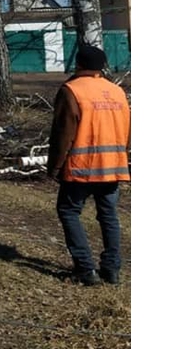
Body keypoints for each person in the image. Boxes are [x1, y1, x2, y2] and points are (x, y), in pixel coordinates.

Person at [47, 44, 131, 286]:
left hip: (81, 167)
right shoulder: (116, 92)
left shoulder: (72, 90)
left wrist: (54, 167)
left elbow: (63, 134)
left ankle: (85, 269)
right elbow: (126, 130)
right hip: (113, 166)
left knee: (69, 211)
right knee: (109, 216)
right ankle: (112, 269)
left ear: (79, 63)